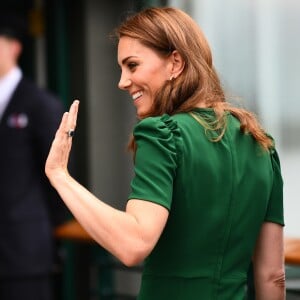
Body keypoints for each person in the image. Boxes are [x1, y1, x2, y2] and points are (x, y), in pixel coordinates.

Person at [45, 7, 285, 300]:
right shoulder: (262, 144)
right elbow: (273, 276)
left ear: (175, 63)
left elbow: (133, 244)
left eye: (132, 65)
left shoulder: (162, 134)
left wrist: (60, 175)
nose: (122, 81)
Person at [0, 10, 69, 300]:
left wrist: (48, 224)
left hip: (24, 254)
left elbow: (60, 175)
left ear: (14, 47)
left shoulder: (41, 104)